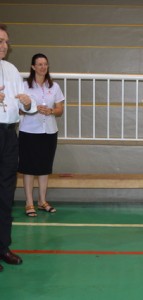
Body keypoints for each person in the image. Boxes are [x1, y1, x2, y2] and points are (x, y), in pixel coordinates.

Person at [0, 23, 37, 271]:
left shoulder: (11, 69)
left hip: (8, 136)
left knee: (5, 194)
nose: (4, 46)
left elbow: (28, 105)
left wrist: (27, 101)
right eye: (0, 41)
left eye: (6, 42)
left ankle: (3, 246)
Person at [18, 53, 64, 217]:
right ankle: (29, 203)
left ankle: (42, 201)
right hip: (29, 132)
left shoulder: (55, 86)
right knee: (28, 169)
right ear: (33, 67)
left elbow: (60, 109)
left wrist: (50, 110)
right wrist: (32, 109)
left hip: (49, 131)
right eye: (39, 64)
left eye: (45, 64)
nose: (43, 67)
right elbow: (18, 109)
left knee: (45, 168)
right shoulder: (24, 86)